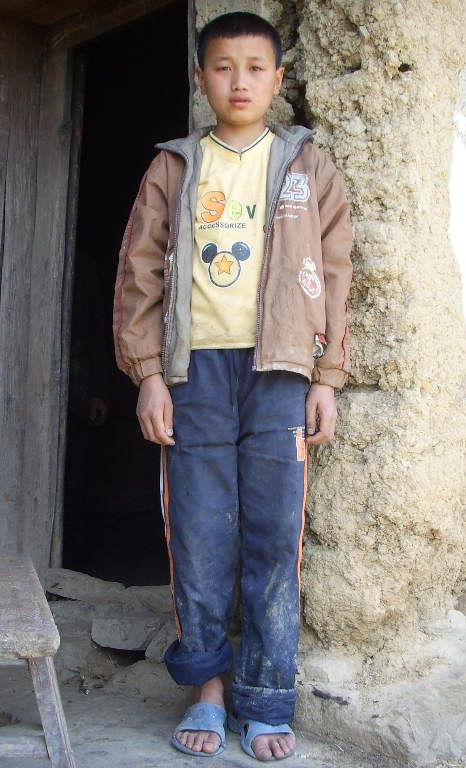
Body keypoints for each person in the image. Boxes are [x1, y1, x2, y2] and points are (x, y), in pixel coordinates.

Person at [111, 10, 353, 762]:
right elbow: (139, 275)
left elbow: (336, 275)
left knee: (275, 539)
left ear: (278, 80)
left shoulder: (307, 165)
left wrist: (327, 377)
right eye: (223, 67)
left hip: (279, 371)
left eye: (254, 68)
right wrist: (150, 377)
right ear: (201, 78)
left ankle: (267, 698)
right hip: (195, 374)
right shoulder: (174, 167)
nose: (239, 81)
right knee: (200, 533)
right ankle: (208, 691)